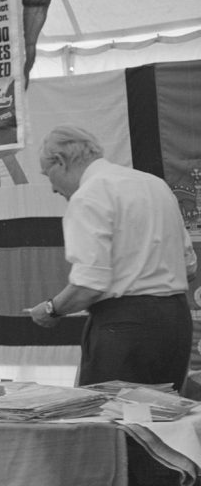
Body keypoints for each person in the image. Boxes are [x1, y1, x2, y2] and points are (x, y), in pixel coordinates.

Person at [28, 125, 196, 390]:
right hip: (175, 323)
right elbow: (188, 265)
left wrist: (51, 309)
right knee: (164, 422)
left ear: (60, 162)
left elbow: (89, 285)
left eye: (47, 174)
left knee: (110, 424)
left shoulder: (89, 195)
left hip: (125, 328)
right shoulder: (155, 185)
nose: (52, 188)